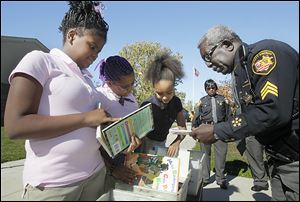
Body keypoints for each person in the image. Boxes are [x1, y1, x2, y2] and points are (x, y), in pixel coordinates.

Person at [4, 2, 138, 201]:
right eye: (92, 46)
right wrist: (85, 118)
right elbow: (15, 126)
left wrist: (122, 135)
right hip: (55, 184)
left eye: (99, 51)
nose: (95, 55)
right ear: (72, 35)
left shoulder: (86, 79)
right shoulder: (41, 61)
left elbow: (92, 127)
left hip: (95, 175)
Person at [192, 24, 299, 201]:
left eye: (208, 56)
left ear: (227, 44)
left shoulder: (264, 54)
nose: (208, 65)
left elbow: (271, 112)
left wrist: (218, 130)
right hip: (278, 161)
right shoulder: (241, 71)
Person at [95, 55, 140, 188]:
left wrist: (136, 140)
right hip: (104, 164)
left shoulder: (131, 99)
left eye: (133, 84)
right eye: (124, 86)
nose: (130, 89)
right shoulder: (99, 97)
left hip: (127, 159)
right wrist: (113, 169)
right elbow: (92, 143)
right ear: (109, 83)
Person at [138, 52, 187, 157]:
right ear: (154, 89)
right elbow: (138, 133)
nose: (165, 97)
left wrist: (176, 142)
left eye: (169, 93)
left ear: (174, 86)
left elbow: (183, 128)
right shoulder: (147, 105)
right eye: (160, 93)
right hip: (144, 145)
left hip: (161, 143)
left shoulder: (176, 103)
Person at [192, 79, 229, 189]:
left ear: (216, 88)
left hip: (220, 128)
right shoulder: (202, 101)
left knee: (221, 155)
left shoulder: (223, 99)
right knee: (205, 155)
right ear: (205, 89)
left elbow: (228, 114)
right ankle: (205, 178)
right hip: (206, 128)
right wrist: (194, 128)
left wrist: (228, 129)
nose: (211, 90)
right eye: (208, 88)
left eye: (213, 87)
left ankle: (221, 179)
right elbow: (197, 116)